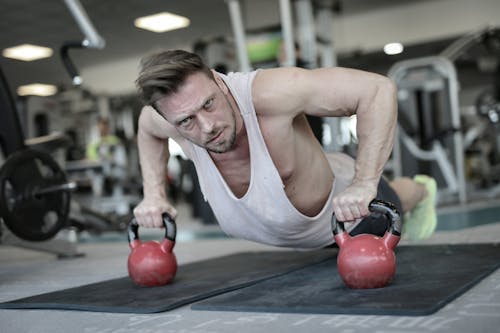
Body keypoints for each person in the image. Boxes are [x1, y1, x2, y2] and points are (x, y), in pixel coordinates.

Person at [132, 49, 437, 248]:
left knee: (396, 200)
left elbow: (377, 90)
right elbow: (147, 128)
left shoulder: (272, 93)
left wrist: (365, 183)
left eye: (209, 104)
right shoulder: (168, 116)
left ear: (220, 83)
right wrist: (154, 195)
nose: (207, 126)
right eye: (186, 121)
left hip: (348, 216)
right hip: (298, 230)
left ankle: (423, 190)